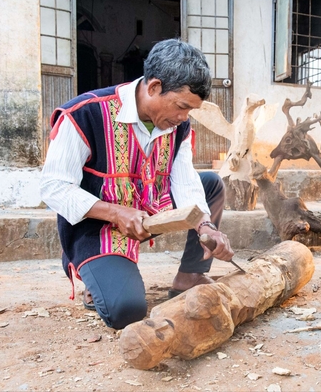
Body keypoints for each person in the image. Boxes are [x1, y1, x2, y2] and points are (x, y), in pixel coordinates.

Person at [40, 38, 234, 330]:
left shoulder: (178, 126)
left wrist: (206, 226)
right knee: (127, 310)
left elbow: (184, 179)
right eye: (181, 106)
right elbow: (53, 187)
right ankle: (93, 274)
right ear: (154, 87)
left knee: (210, 184)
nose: (184, 117)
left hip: (149, 205)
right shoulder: (85, 113)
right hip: (99, 222)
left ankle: (190, 275)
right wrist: (116, 212)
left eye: (190, 111)